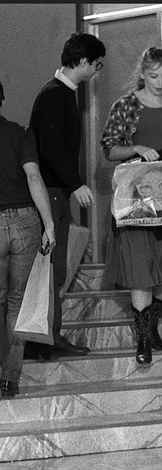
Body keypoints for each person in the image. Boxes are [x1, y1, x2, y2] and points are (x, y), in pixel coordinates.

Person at [100, 46, 162, 365]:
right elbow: (109, 150)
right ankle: (142, 337)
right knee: (140, 267)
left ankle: (151, 322)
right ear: (142, 73)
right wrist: (137, 148)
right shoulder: (126, 105)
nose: (160, 82)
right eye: (154, 76)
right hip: (136, 196)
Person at [26, 32, 105, 359]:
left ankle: (46, 338)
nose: (98, 71)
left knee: (54, 269)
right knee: (51, 269)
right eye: (97, 64)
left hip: (56, 193)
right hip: (52, 194)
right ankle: (44, 339)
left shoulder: (60, 94)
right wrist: (76, 183)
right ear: (83, 61)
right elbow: (51, 148)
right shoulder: (54, 95)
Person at [0, 80, 56, 395]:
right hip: (24, 221)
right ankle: (10, 378)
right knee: (17, 303)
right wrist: (49, 223)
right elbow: (34, 176)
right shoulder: (20, 133)